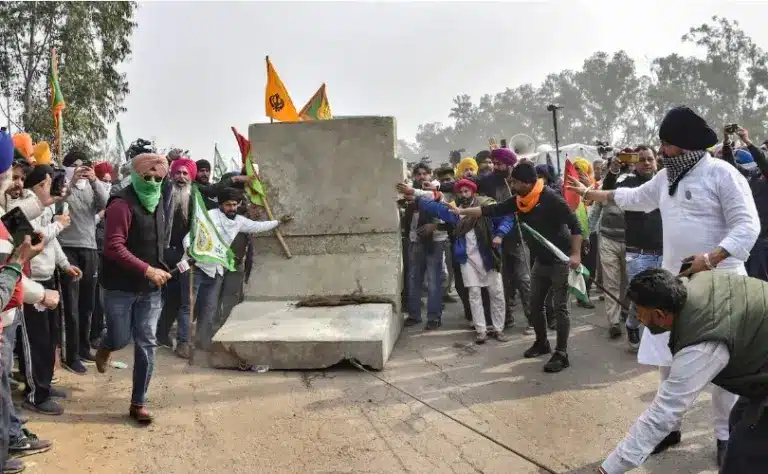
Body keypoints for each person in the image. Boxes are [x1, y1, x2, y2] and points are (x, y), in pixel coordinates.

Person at [568, 105, 760, 464]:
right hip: (675, 287)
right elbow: (636, 197)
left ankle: (723, 435)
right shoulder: (667, 177)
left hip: (722, 286)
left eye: (666, 145)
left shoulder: (723, 175)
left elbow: (747, 226)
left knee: (723, 370)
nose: (661, 152)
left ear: (685, 146)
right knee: (667, 362)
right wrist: (595, 194)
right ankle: (669, 429)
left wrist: (712, 258)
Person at [599, 269, 768, 473]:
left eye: (640, 311)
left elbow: (665, 411)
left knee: (742, 457)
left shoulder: (702, 342)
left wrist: (608, 469)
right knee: (738, 419)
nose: (637, 316)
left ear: (660, 315)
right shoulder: (693, 282)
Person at [456, 161, 583, 373]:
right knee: (534, 304)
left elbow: (576, 225)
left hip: (561, 259)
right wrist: (463, 211)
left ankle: (561, 353)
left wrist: (576, 254)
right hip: (540, 260)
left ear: (526, 183)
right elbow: (492, 209)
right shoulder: (521, 200)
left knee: (560, 308)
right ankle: (542, 343)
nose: (511, 184)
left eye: (514, 181)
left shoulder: (550, 198)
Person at [96, 153, 173, 424]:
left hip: (150, 289)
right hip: (120, 286)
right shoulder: (121, 204)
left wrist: (161, 267)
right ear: (136, 175)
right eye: (147, 177)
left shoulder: (162, 200)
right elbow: (113, 246)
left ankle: (138, 402)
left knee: (146, 342)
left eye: (158, 178)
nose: (152, 182)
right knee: (120, 338)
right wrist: (148, 269)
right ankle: (106, 346)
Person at [402, 179, 514, 343]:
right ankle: (481, 330)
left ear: (473, 192)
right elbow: (436, 208)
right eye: (460, 192)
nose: (463, 195)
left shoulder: (486, 207)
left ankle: (498, 329)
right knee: (474, 294)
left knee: (496, 293)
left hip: (489, 256)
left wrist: (500, 235)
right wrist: (415, 195)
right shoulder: (455, 210)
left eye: (466, 191)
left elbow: (507, 217)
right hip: (467, 258)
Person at [180, 187, 282, 351]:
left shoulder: (239, 221)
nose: (232, 208)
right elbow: (188, 238)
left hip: (217, 268)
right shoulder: (209, 217)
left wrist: (278, 222)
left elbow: (256, 226)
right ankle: (183, 343)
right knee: (188, 306)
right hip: (196, 267)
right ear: (221, 205)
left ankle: (203, 341)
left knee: (210, 307)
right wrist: (191, 252)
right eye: (228, 205)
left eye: (235, 204)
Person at [601, 146, 663, 350]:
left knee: (661, 297)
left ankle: (655, 341)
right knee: (641, 296)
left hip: (664, 252)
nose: (647, 163)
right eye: (642, 159)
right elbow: (607, 191)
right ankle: (632, 324)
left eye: (650, 159)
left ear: (656, 161)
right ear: (635, 163)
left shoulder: (664, 181)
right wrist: (613, 171)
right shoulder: (628, 183)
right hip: (638, 253)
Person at [58, 150, 109, 374]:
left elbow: (105, 204)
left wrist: (95, 180)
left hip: (89, 248)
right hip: (67, 248)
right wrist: (70, 179)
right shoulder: (63, 185)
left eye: (84, 166)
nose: (81, 170)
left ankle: (83, 347)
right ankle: (71, 355)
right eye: (76, 166)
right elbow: (58, 200)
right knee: (71, 305)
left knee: (87, 304)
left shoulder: (91, 187)